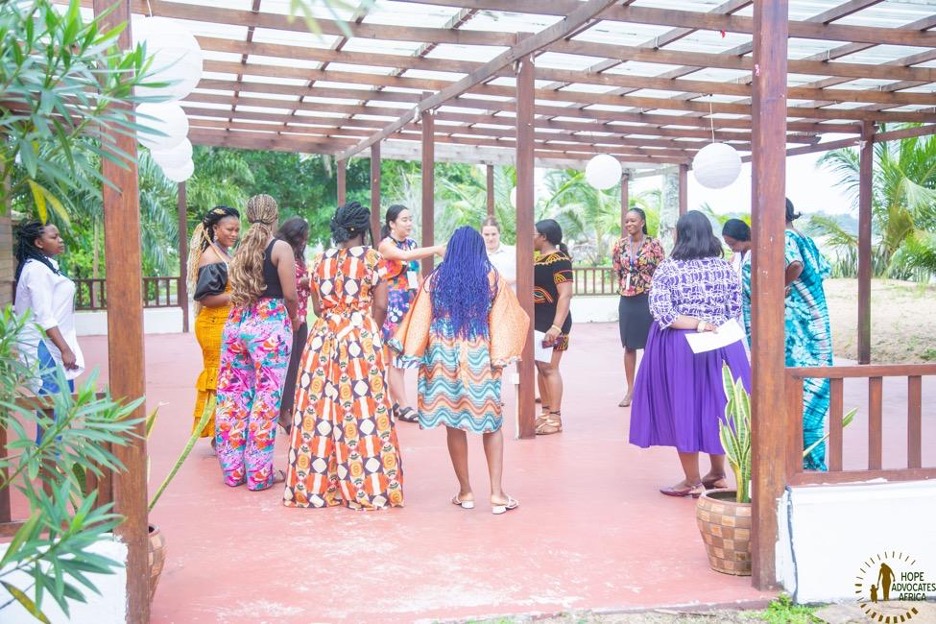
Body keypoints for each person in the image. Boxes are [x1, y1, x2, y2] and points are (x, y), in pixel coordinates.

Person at [391, 226, 528, 514]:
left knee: (453, 422)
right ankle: (497, 494)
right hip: (479, 354)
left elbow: (420, 319)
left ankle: (465, 492)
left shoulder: (436, 279)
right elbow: (505, 318)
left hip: (442, 356)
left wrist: (409, 348)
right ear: (479, 249)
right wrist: (501, 354)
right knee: (491, 423)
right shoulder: (491, 277)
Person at [283, 201, 404, 510]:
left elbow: (317, 308)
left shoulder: (319, 260)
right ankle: (368, 486)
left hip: (322, 339)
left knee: (320, 412)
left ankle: (316, 486)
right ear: (364, 229)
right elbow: (381, 306)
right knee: (362, 412)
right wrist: (368, 330)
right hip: (359, 338)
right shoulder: (373, 258)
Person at [629, 210, 751, 498]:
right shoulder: (725, 268)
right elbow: (735, 309)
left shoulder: (669, 268)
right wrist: (713, 325)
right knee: (718, 406)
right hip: (722, 343)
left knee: (683, 407)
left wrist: (697, 324)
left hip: (681, 345)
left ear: (680, 235)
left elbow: (663, 312)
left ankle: (692, 479)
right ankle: (718, 473)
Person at [214, 194, 299, 491]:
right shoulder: (280, 247)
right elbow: (289, 294)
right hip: (269, 325)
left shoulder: (240, 248)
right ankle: (260, 474)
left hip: (237, 323)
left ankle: (233, 471)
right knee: (266, 399)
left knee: (234, 397)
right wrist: (295, 319)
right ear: (275, 215)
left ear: (249, 216)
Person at [13, 221, 84, 441]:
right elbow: (44, 316)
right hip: (44, 347)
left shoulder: (45, 267)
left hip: (54, 345)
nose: (60, 240)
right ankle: (49, 468)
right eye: (54, 237)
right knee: (52, 407)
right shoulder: (35, 270)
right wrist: (65, 349)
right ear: (38, 242)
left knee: (59, 407)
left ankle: (52, 466)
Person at [377, 204, 445, 423]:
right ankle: (403, 405)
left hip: (411, 302)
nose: (408, 223)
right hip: (393, 304)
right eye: (404, 219)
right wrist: (435, 249)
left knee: (404, 355)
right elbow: (405, 257)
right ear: (391, 224)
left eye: (410, 219)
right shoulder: (385, 246)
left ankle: (397, 403)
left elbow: (418, 272)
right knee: (394, 357)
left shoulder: (412, 244)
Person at [784, 198, 833, 471]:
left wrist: (781, 285)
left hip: (802, 327)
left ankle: (811, 468)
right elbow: (824, 270)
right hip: (818, 323)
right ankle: (810, 463)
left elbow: (795, 265)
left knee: (804, 399)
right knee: (813, 395)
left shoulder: (785, 237)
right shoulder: (806, 237)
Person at [187, 205, 241, 446]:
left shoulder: (224, 253)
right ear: (215, 228)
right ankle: (219, 434)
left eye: (237, 230)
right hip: (212, 325)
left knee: (226, 377)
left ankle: (223, 431)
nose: (234, 234)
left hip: (223, 323)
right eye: (229, 229)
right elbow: (206, 297)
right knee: (218, 378)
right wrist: (239, 295)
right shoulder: (211, 257)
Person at [611, 208, 664, 408]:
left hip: (647, 298)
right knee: (629, 345)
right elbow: (617, 269)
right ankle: (630, 391)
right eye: (626, 221)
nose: (629, 224)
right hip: (627, 299)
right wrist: (626, 285)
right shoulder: (620, 246)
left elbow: (661, 269)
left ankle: (652, 389)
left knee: (650, 344)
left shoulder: (654, 244)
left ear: (642, 222)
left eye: (633, 221)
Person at [532, 219, 573, 436]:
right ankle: (546, 412)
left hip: (553, 322)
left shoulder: (560, 260)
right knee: (540, 366)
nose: (531, 237)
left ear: (544, 237)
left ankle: (556, 417)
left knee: (550, 368)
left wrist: (557, 327)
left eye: (533, 234)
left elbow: (565, 294)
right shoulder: (538, 260)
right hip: (538, 321)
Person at [275, 216, 311, 434]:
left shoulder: (298, 255)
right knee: (288, 367)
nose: (305, 242)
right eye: (303, 238)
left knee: (298, 365)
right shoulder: (283, 252)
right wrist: (305, 281)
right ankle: (283, 413)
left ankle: (291, 407)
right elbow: (285, 287)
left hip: (303, 314)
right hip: (290, 316)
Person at [722, 218, 753, 342]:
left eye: (733, 244)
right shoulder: (736, 257)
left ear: (743, 237)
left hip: (751, 308)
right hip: (737, 311)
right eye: (728, 244)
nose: (731, 247)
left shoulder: (757, 254)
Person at [481, 217, 516, 288]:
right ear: (481, 235)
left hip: (512, 298)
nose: (490, 238)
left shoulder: (513, 252)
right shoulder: (476, 257)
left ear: (499, 234)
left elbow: (525, 275)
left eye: (493, 234)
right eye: (486, 235)